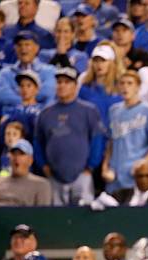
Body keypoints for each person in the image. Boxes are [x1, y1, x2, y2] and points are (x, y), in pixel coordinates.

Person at [35, 67, 107, 206]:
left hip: (82, 175)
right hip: (54, 176)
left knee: (84, 217)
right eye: (59, 82)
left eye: (66, 82)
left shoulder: (89, 110)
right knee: (56, 218)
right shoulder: (45, 113)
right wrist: (43, 165)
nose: (62, 85)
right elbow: (38, 142)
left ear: (75, 86)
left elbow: (97, 140)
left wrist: (90, 167)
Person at [102, 70, 148, 193]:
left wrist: (144, 163)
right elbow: (111, 142)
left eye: (130, 83)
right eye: (122, 83)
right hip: (115, 174)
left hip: (136, 176)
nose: (125, 87)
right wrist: (105, 167)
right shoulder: (113, 110)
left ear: (138, 87)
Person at [0, 31, 57, 111]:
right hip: (13, 119)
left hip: (42, 118)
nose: (23, 48)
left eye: (27, 44)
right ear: (15, 48)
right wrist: (29, 101)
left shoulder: (50, 71)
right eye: (19, 45)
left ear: (36, 48)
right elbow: (2, 96)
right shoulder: (5, 73)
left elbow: (47, 93)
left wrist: (20, 97)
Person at [0, 140, 51, 207]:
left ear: (30, 160)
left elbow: (42, 216)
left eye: (21, 154)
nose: (16, 158)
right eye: (13, 154)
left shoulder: (41, 184)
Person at [79, 41, 124, 126]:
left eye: (103, 61)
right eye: (96, 61)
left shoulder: (121, 87)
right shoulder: (84, 88)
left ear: (111, 62)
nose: (99, 64)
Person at [0, 70, 42, 149]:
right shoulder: (11, 110)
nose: (25, 89)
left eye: (29, 85)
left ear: (37, 89)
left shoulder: (42, 110)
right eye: (22, 86)